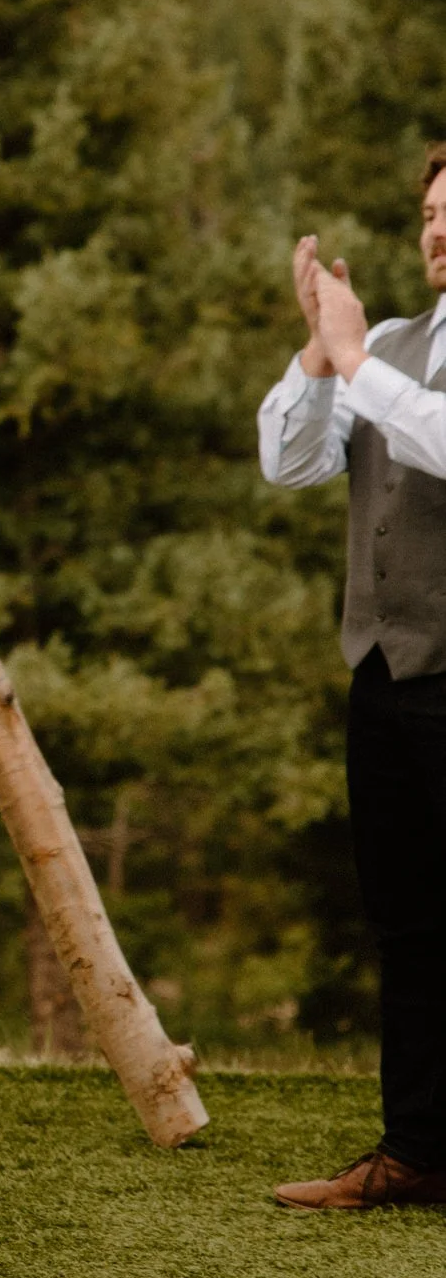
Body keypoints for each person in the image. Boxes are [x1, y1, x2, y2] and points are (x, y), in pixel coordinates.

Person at [257, 154, 446, 1212]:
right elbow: (288, 462)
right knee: (406, 921)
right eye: (427, 214)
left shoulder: (386, 362)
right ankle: (415, 1147)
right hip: (382, 671)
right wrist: (317, 354)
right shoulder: (394, 347)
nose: (435, 232)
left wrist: (355, 359)